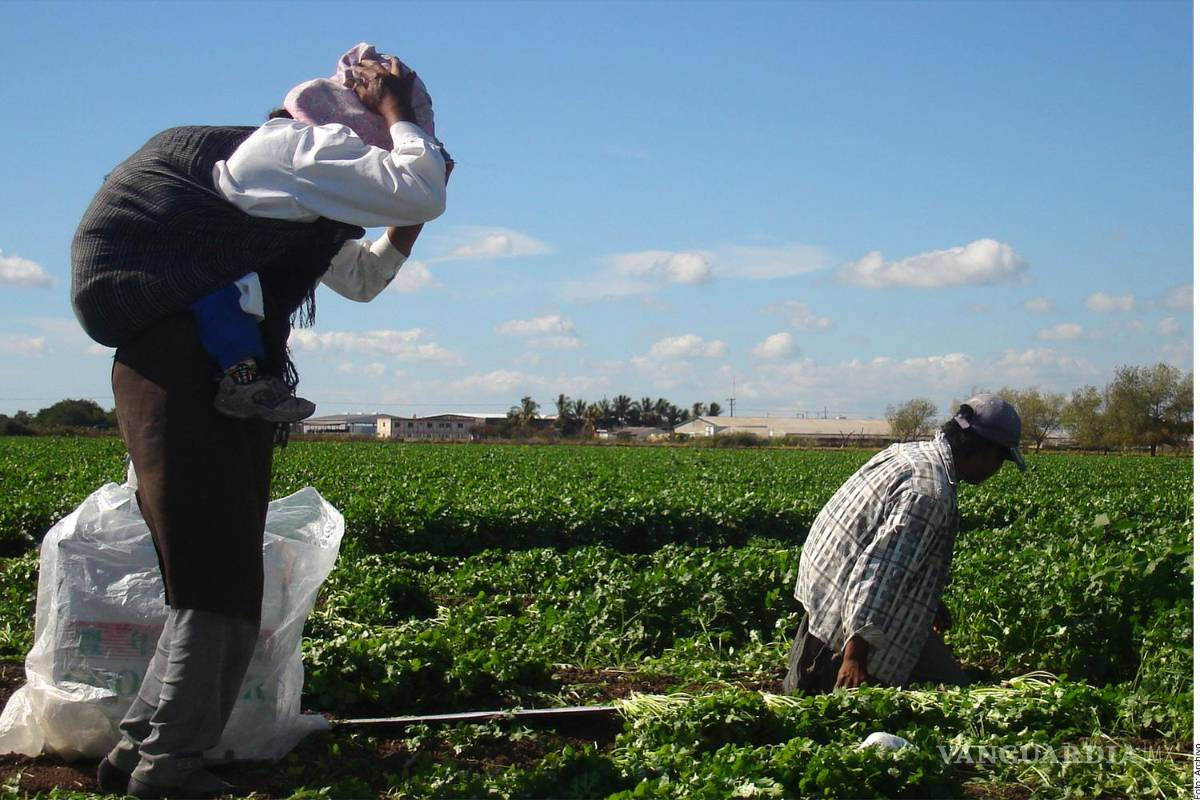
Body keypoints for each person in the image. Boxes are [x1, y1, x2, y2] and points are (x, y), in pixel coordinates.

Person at [71, 53, 447, 798]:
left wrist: (403, 220)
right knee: (213, 577)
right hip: (179, 368)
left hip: (218, 378)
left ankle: (141, 752)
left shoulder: (295, 196)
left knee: (221, 577)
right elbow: (422, 186)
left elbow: (362, 278)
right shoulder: (285, 151)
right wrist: (405, 118)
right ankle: (168, 770)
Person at [783, 394, 1025, 694]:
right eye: (1001, 461)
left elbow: (890, 552)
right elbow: (880, 572)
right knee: (825, 707)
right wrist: (854, 656)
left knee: (949, 680)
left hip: (827, 590)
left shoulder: (911, 454)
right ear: (987, 452)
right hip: (843, 616)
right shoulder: (929, 493)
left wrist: (927, 599)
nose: (996, 471)